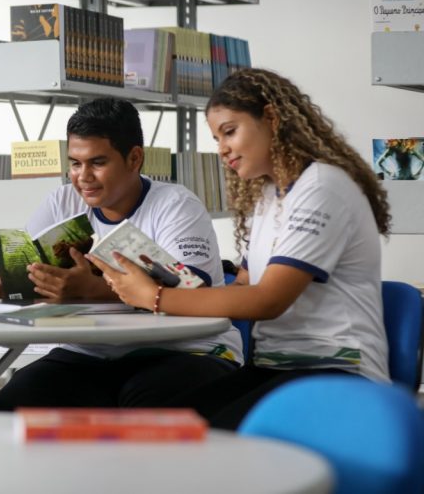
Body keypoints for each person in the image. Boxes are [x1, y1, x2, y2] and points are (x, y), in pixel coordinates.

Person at [93, 69, 390, 430]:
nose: (222, 149)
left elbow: (267, 300)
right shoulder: (268, 196)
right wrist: (174, 285)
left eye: (230, 131)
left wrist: (153, 296)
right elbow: (242, 290)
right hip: (275, 367)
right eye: (217, 138)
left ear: (271, 118)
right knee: (160, 429)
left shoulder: (322, 187)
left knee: (187, 441)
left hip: (335, 371)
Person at [0, 97, 243, 411]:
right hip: (89, 354)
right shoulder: (61, 202)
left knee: (145, 410)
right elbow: (16, 282)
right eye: (75, 163)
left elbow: (192, 290)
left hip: (183, 350)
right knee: (6, 411)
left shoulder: (176, 205)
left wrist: (93, 290)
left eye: (98, 162)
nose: (83, 177)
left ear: (134, 159)